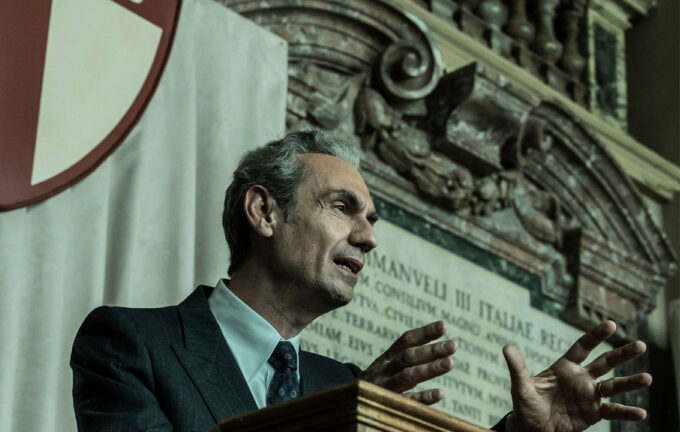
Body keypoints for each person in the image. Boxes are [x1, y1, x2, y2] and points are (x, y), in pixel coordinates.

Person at [71, 130, 652, 431]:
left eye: (371, 219)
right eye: (342, 207)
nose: (369, 237)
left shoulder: (345, 383)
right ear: (264, 212)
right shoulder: (131, 345)